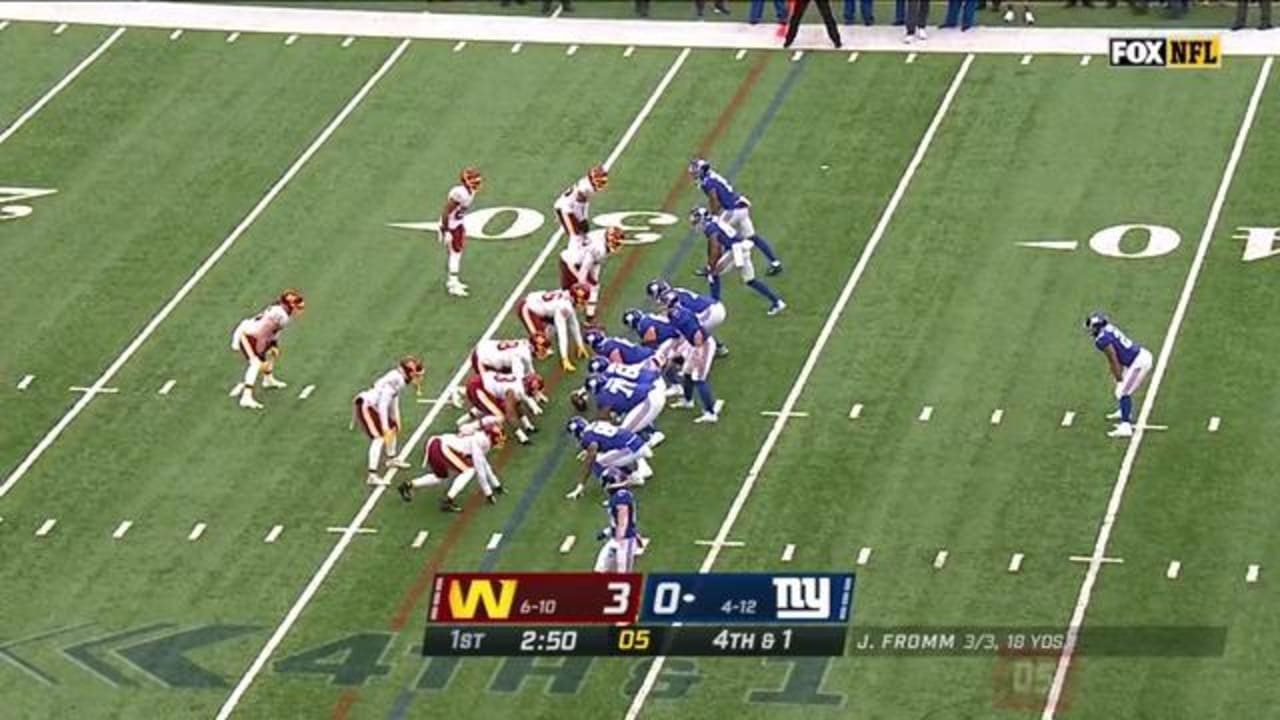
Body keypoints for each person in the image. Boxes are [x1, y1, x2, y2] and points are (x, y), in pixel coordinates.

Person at [353, 357, 424, 486]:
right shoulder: (396, 380)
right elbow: (383, 404)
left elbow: (393, 399)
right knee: (379, 438)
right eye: (416, 374)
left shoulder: (398, 379)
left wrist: (396, 419)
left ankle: (391, 459)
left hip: (374, 405)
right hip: (367, 405)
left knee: (392, 429)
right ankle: (372, 475)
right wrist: (385, 426)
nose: (418, 377)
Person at [228, 289, 304, 410]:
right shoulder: (281, 315)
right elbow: (263, 334)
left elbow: (273, 332)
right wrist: (260, 356)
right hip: (248, 335)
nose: (300, 304)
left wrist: (274, 345)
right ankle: (246, 397)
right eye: (296, 302)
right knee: (256, 363)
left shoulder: (281, 312)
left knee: (272, 352)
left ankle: (268, 379)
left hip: (257, 334)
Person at [1084, 313, 1153, 439]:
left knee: (1123, 392)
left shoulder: (1102, 340)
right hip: (1135, 359)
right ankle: (1124, 411)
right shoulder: (1108, 329)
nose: (1090, 330)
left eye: (1093, 327)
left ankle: (1126, 426)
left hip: (1139, 362)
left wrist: (1119, 378)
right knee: (1120, 391)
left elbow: (1113, 359)